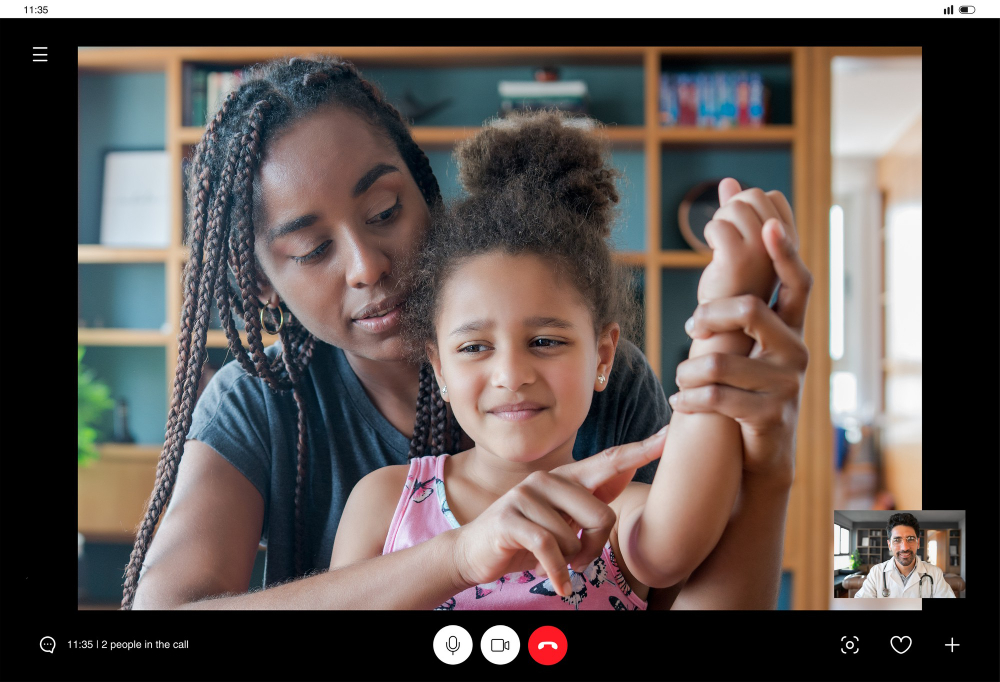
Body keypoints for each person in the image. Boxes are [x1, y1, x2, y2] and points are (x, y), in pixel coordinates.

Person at [123, 55, 812, 610]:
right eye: (309, 249)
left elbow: (675, 560)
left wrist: (767, 461)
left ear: (427, 193)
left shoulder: (601, 380)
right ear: (262, 281)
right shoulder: (261, 403)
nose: (366, 265)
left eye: (386, 210)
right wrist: (456, 555)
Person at [330, 110, 782, 609]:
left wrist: (724, 318)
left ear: (603, 356)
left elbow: (675, 546)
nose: (511, 375)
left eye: (545, 341)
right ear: (438, 367)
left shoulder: (618, 514)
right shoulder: (384, 503)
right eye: (474, 347)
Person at [853, 513, 956, 598]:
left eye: (910, 539)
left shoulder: (935, 574)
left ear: (918, 543)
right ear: (889, 545)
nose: (904, 547)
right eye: (897, 540)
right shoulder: (876, 573)